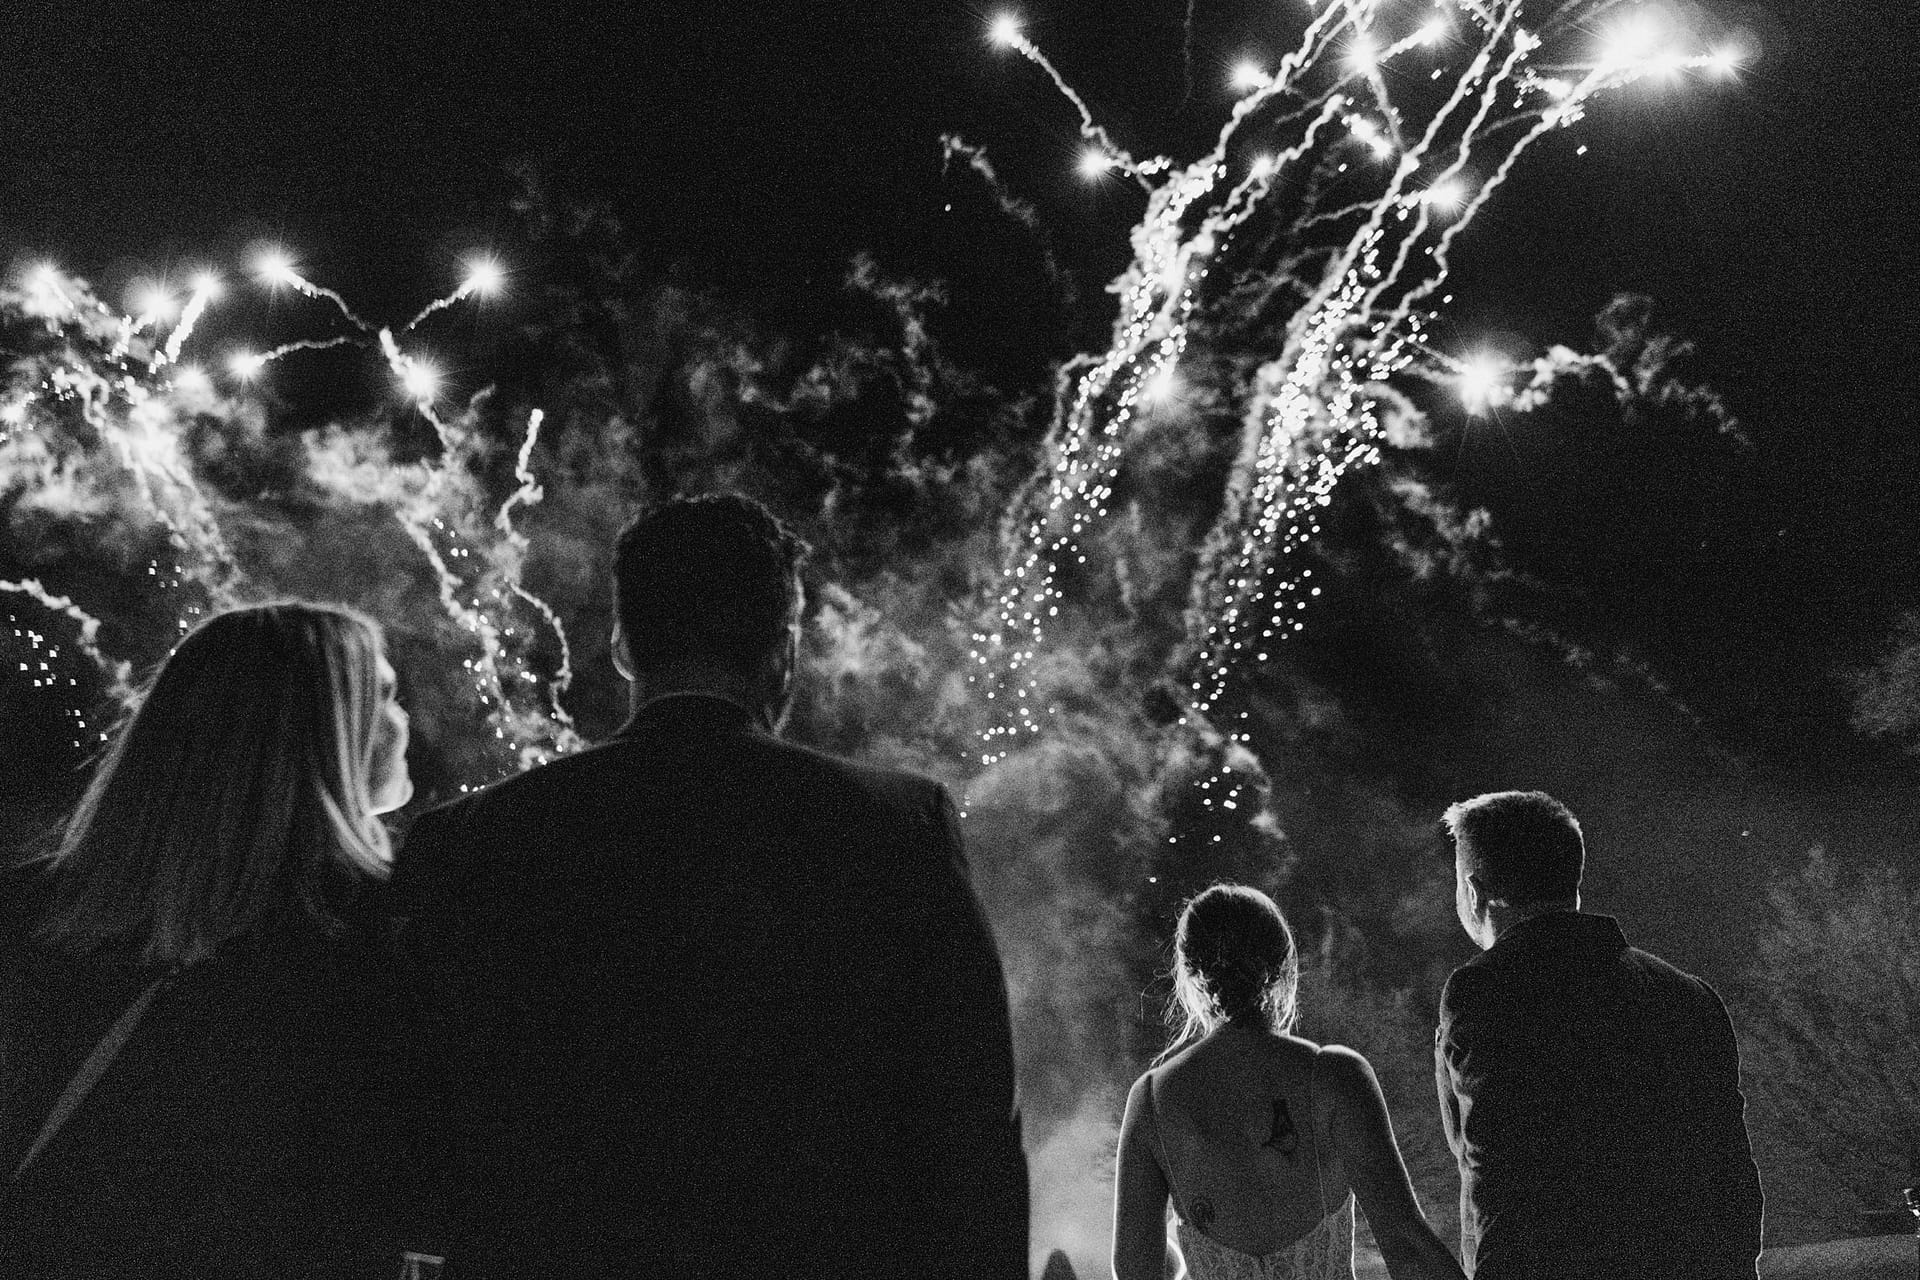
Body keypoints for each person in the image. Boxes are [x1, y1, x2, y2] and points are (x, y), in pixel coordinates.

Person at [391, 492, 1028, 1279]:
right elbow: (970, 1140)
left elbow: (411, 1143)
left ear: (623, 645)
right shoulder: (898, 825)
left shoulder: (468, 841)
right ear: (783, 648)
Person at [0, 601, 439, 1278]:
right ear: (321, 730)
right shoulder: (386, 927)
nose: (403, 720)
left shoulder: (33, 910)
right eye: (383, 695)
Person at [1435, 790, 1764, 1279]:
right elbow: (1733, 1187)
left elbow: (1504, 1188)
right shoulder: (1688, 996)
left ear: (1475, 889)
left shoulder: (1485, 992)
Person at [1114, 884, 1467, 1280]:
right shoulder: (1337, 1078)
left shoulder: (1151, 1102)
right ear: (1282, 967)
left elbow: (1133, 1271)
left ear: (1190, 975)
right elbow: (1407, 1248)